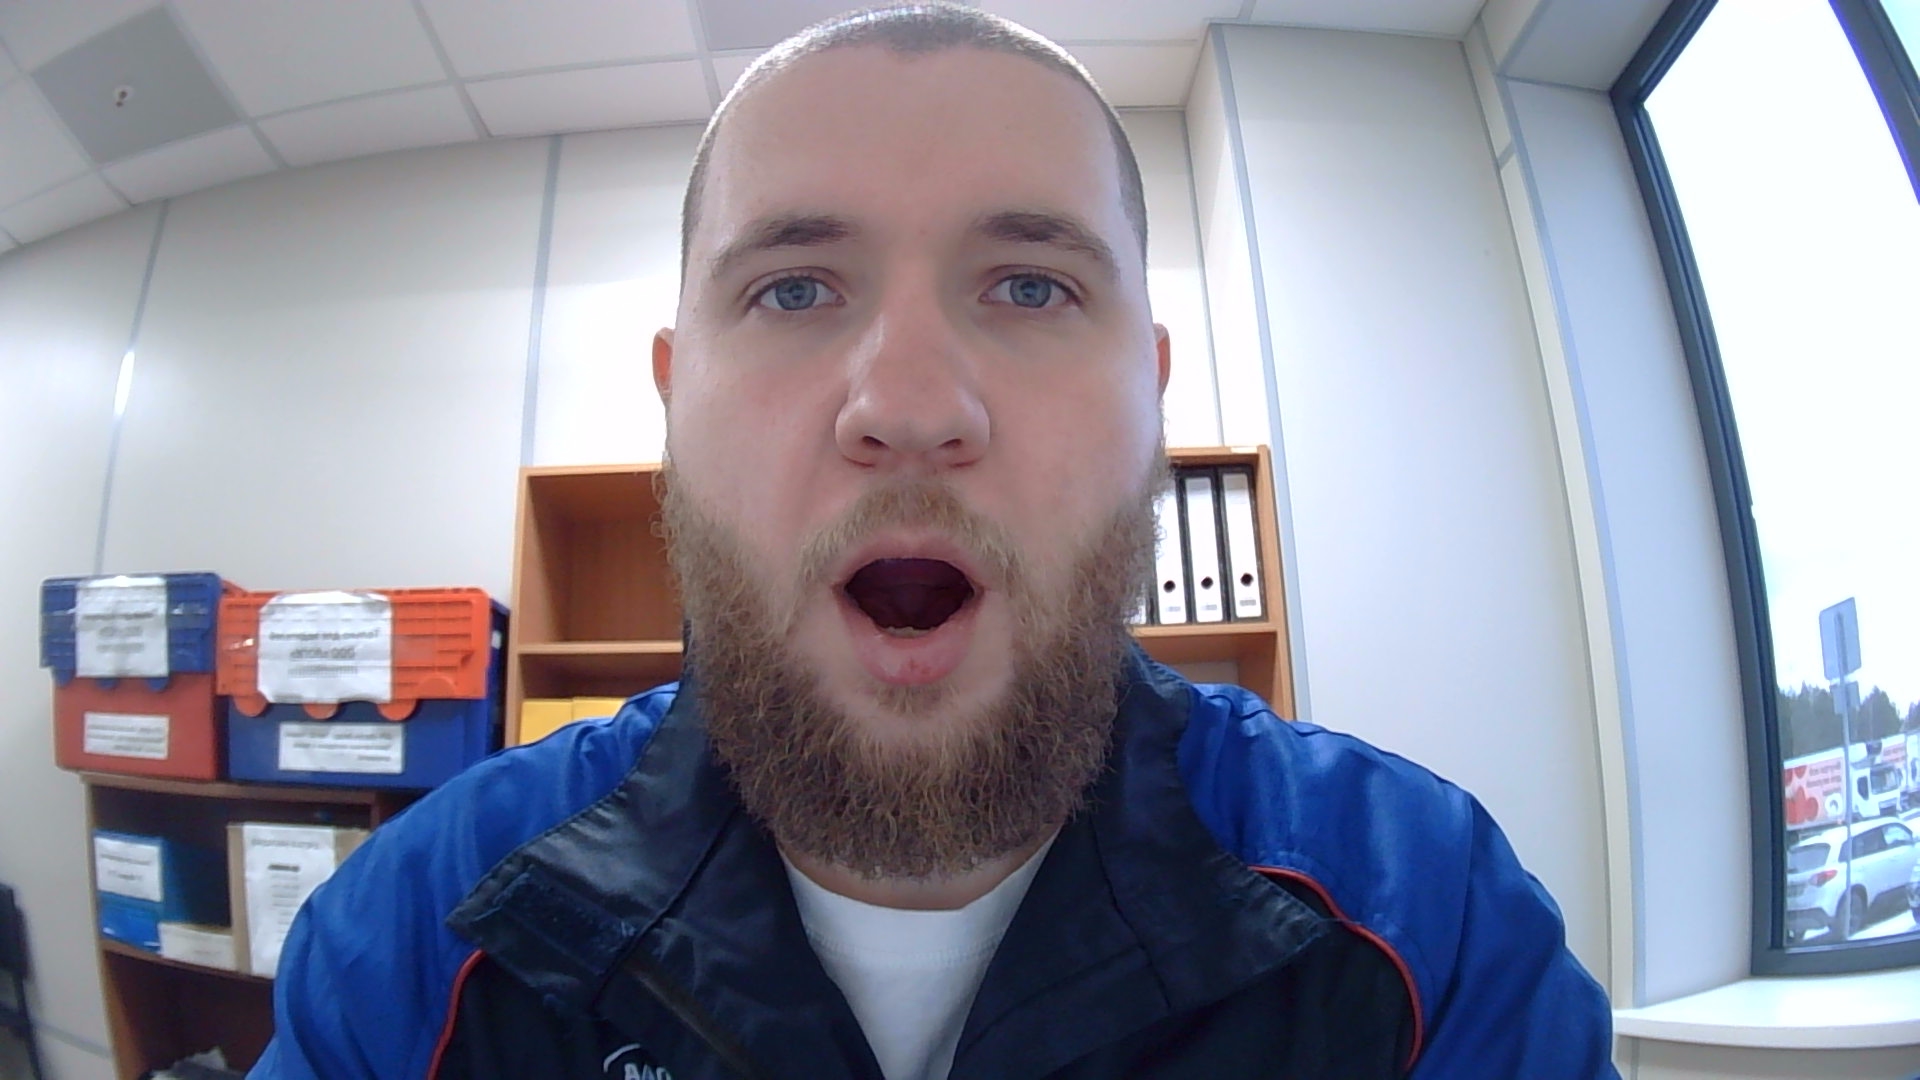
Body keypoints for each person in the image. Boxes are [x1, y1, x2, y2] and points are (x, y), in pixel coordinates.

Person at [250, 5, 1618, 1078]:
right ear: (674, 402)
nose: (908, 408)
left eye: (1030, 285)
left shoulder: (1431, 924)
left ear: (1152, 398)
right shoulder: (417, 936)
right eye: (795, 290)